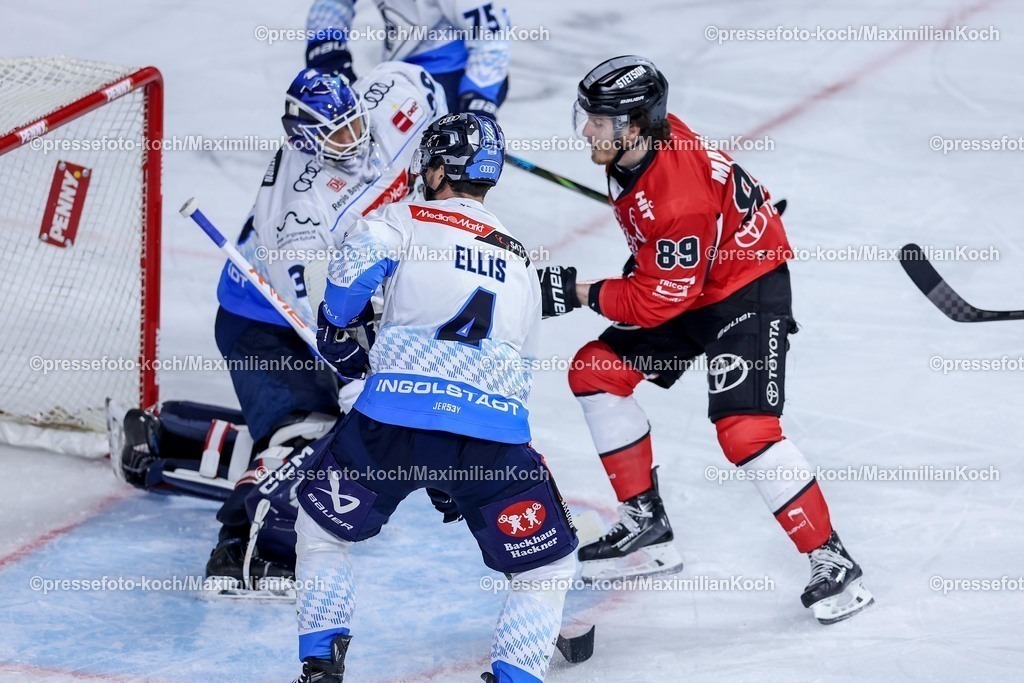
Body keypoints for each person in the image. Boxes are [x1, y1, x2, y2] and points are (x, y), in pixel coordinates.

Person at [536, 55, 873, 625]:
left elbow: (653, 301)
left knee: (745, 430)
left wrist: (577, 290)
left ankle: (830, 557)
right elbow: (670, 257)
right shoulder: (640, 151)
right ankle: (646, 522)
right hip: (698, 276)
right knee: (595, 370)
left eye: (599, 120)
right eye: (588, 116)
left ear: (635, 127)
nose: (587, 129)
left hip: (745, 287)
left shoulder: (674, 198)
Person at [107, 60, 449, 590]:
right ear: (308, 139)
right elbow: (317, 316)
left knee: (341, 428)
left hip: (345, 298)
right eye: (338, 133)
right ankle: (242, 547)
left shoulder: (386, 98)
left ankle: (168, 435)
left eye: (356, 121)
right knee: (312, 433)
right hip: (265, 324)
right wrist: (361, 374)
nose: (356, 137)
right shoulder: (296, 214)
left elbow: (423, 85)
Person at [291, 112, 578, 683]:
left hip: (391, 423)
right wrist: (458, 468)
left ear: (440, 167)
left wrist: (336, 331)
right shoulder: (520, 256)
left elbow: (347, 287)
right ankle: (517, 675)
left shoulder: (400, 220)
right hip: (491, 436)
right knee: (546, 567)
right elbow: (518, 367)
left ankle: (321, 664)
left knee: (319, 533)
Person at [305, 0, 511, 118]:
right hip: (404, 72)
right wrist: (327, 53)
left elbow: (492, 37)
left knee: (437, 174)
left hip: (456, 75)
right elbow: (332, 4)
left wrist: (478, 100)